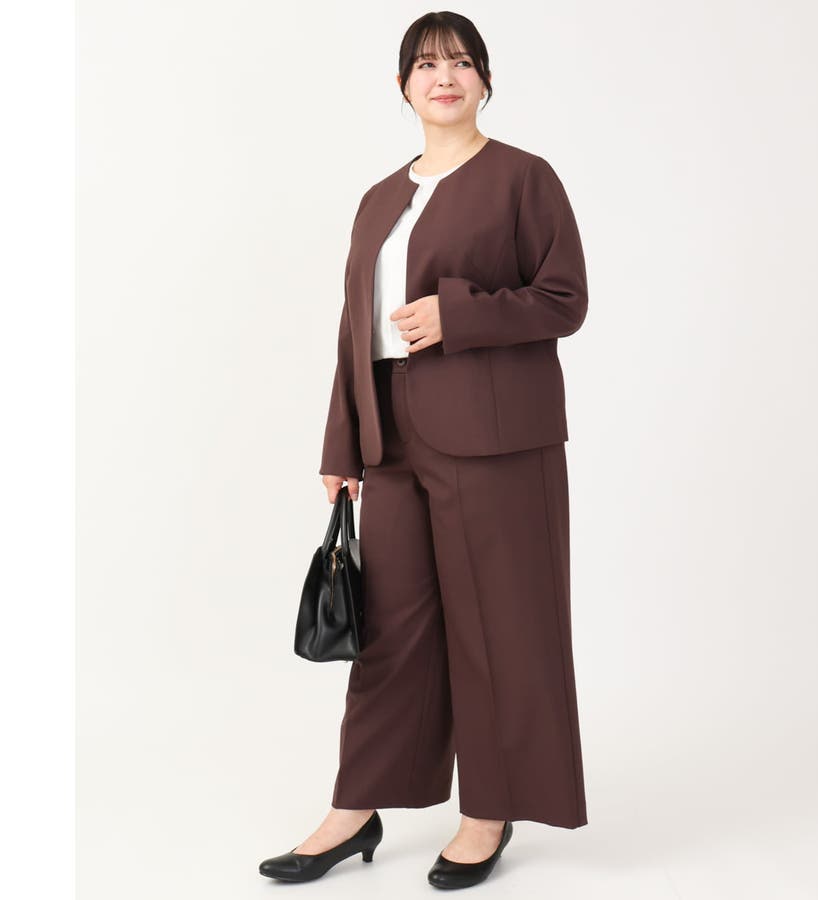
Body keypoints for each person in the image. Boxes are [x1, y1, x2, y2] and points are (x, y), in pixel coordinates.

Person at [260, 11, 589, 889]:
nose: (445, 77)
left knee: (498, 627)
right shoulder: (379, 198)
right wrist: (342, 445)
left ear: (486, 80)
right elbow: (354, 330)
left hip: (496, 438)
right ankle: (356, 807)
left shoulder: (523, 178)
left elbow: (564, 299)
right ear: (402, 86)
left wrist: (459, 315)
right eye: (427, 64)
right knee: (389, 633)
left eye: (462, 62)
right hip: (392, 437)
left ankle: (489, 810)